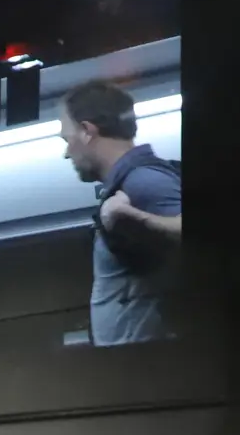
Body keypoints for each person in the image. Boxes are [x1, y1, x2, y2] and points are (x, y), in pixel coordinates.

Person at [59, 78, 182, 347]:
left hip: (150, 368)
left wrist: (132, 216)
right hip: (132, 367)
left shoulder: (143, 181)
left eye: (67, 140)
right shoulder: (127, 184)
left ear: (87, 131)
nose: (66, 154)